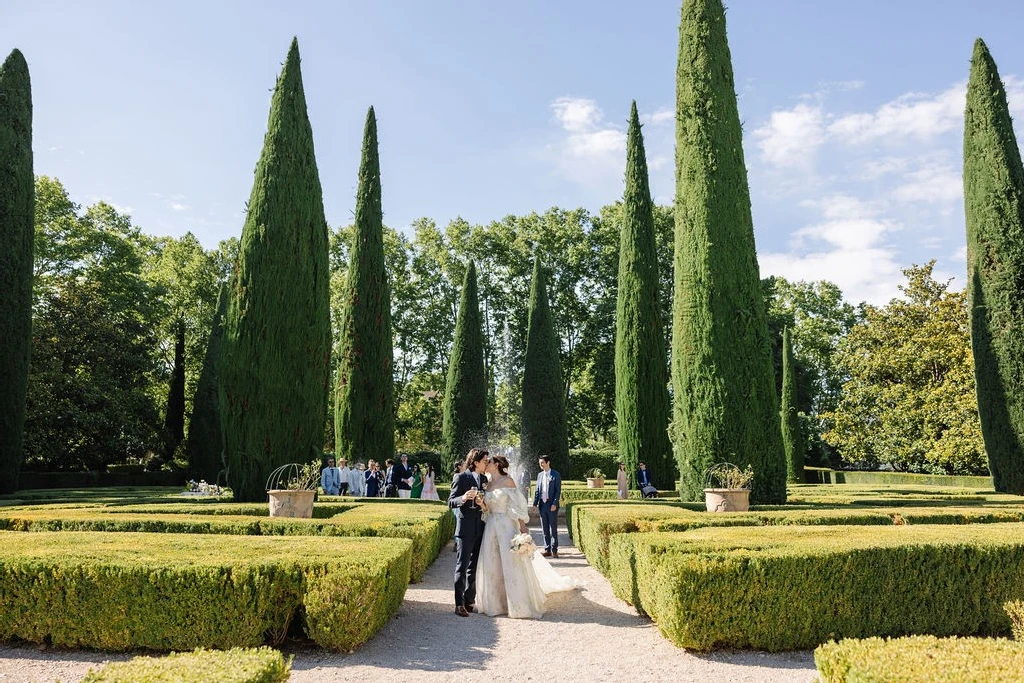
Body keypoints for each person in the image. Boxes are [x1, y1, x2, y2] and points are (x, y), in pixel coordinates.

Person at [448, 448, 489, 617]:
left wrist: (481, 503)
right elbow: (450, 501)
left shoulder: (484, 479)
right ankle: (458, 604)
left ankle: (469, 600)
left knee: (474, 566)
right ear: (475, 462)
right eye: (485, 461)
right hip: (465, 529)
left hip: (481, 527)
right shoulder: (461, 477)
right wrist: (464, 498)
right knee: (462, 566)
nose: (487, 463)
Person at [532, 455, 562, 558]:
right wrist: (534, 504)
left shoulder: (555, 474)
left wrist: (554, 503)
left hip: (551, 504)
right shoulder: (540, 475)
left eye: (542, 463)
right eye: (540, 463)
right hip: (542, 505)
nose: (541, 465)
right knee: (544, 528)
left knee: (553, 528)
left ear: (548, 462)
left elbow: (558, 491)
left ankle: (554, 550)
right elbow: (537, 491)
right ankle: (547, 549)